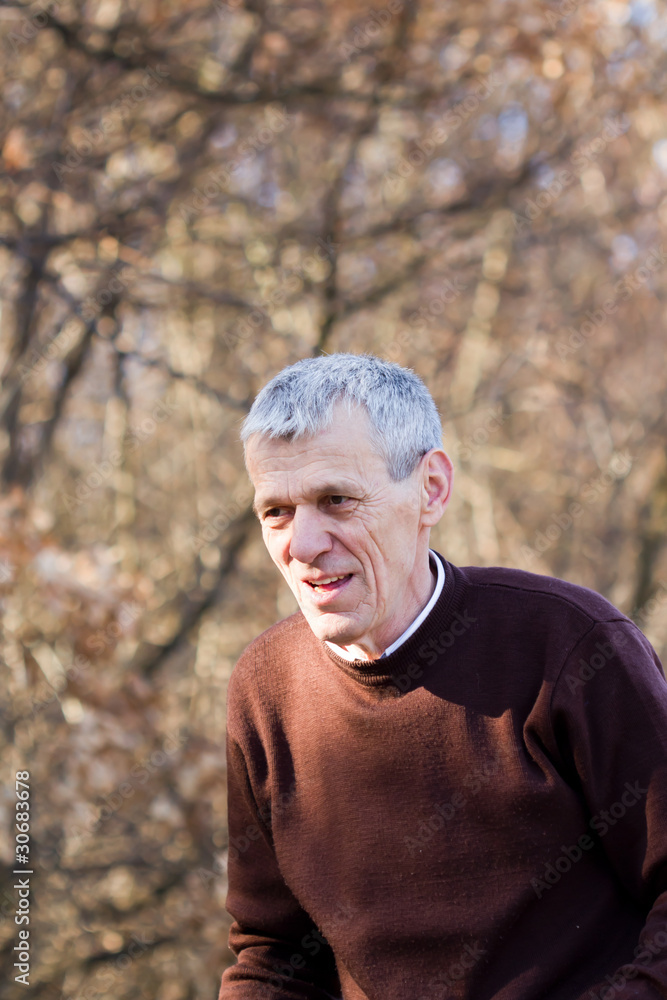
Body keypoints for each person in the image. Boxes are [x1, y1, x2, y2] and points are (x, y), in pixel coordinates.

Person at [218, 352, 667, 1000]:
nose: (303, 544)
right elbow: (274, 957)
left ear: (430, 489)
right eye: (276, 512)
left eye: (336, 499)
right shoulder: (263, 690)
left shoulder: (568, 646)